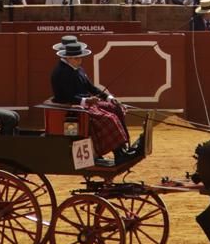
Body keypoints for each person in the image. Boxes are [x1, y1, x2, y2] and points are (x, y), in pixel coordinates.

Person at [49, 34, 142, 164]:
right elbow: (66, 96)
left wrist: (108, 97)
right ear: (68, 57)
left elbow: (90, 87)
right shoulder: (60, 72)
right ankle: (118, 154)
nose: (80, 60)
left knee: (115, 108)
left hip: (85, 104)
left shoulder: (77, 68)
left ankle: (122, 149)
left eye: (80, 58)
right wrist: (86, 101)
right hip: (73, 108)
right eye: (77, 58)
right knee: (109, 118)